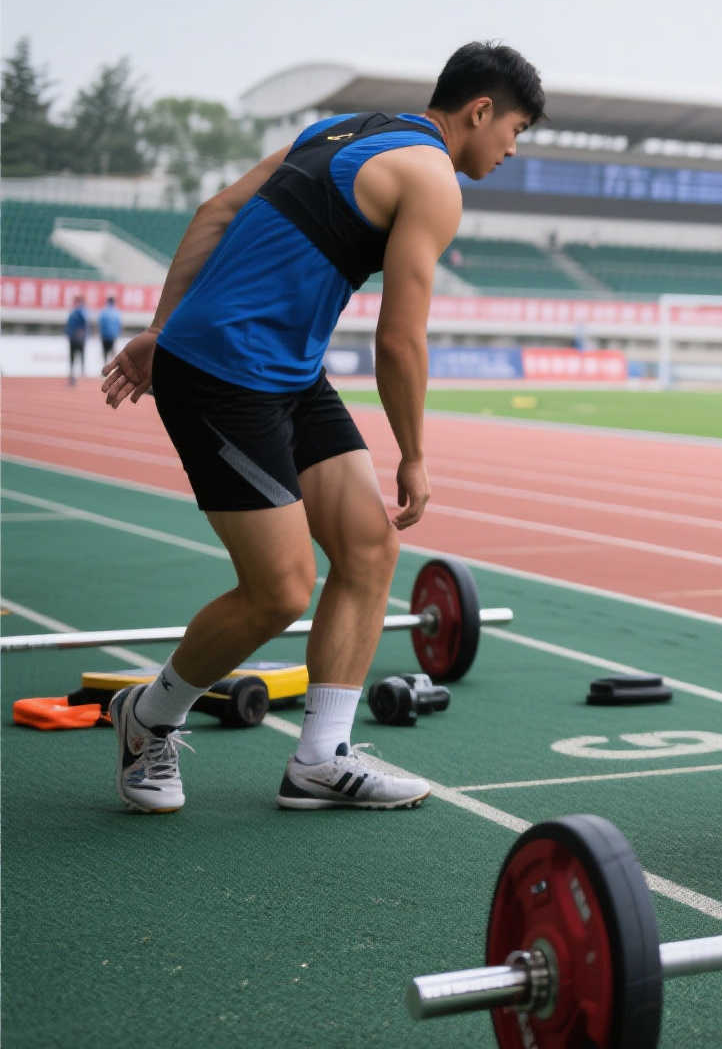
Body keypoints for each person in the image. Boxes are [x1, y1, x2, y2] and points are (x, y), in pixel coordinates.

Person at [100, 42, 545, 814]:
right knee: (278, 590)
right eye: (516, 130)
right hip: (222, 377)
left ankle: (319, 757)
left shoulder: (342, 129)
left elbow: (217, 213)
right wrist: (414, 454)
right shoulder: (433, 179)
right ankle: (149, 717)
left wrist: (159, 329)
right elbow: (400, 339)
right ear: (480, 112)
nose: (512, 149)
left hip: (286, 373)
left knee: (370, 548)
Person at [64, 296, 88, 385]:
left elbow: (82, 323)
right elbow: (84, 323)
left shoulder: (75, 311)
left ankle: (75, 376)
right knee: (78, 356)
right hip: (77, 338)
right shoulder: (80, 311)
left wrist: (71, 334)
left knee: (74, 357)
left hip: (74, 338)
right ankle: (77, 376)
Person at [98, 296, 122, 368]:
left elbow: (101, 324)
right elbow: (119, 324)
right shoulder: (116, 312)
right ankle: (112, 369)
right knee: (112, 353)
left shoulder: (104, 311)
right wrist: (117, 334)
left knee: (105, 353)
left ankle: (105, 369)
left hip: (104, 336)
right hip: (113, 336)